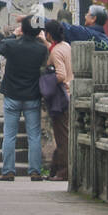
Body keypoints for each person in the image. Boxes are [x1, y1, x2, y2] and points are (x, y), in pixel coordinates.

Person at [0, 15, 46, 181]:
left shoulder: (12, 45)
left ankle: (8, 171)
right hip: (32, 95)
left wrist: (14, 34)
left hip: (12, 94)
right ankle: (35, 171)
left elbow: (0, 46)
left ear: (23, 29)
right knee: (34, 135)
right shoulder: (41, 49)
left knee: (9, 135)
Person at [42, 19, 72, 181]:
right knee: (63, 134)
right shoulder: (66, 46)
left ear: (49, 34)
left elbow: (60, 75)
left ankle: (63, 171)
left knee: (62, 136)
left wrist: (46, 82)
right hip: (71, 93)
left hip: (62, 96)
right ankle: (55, 169)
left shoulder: (55, 52)